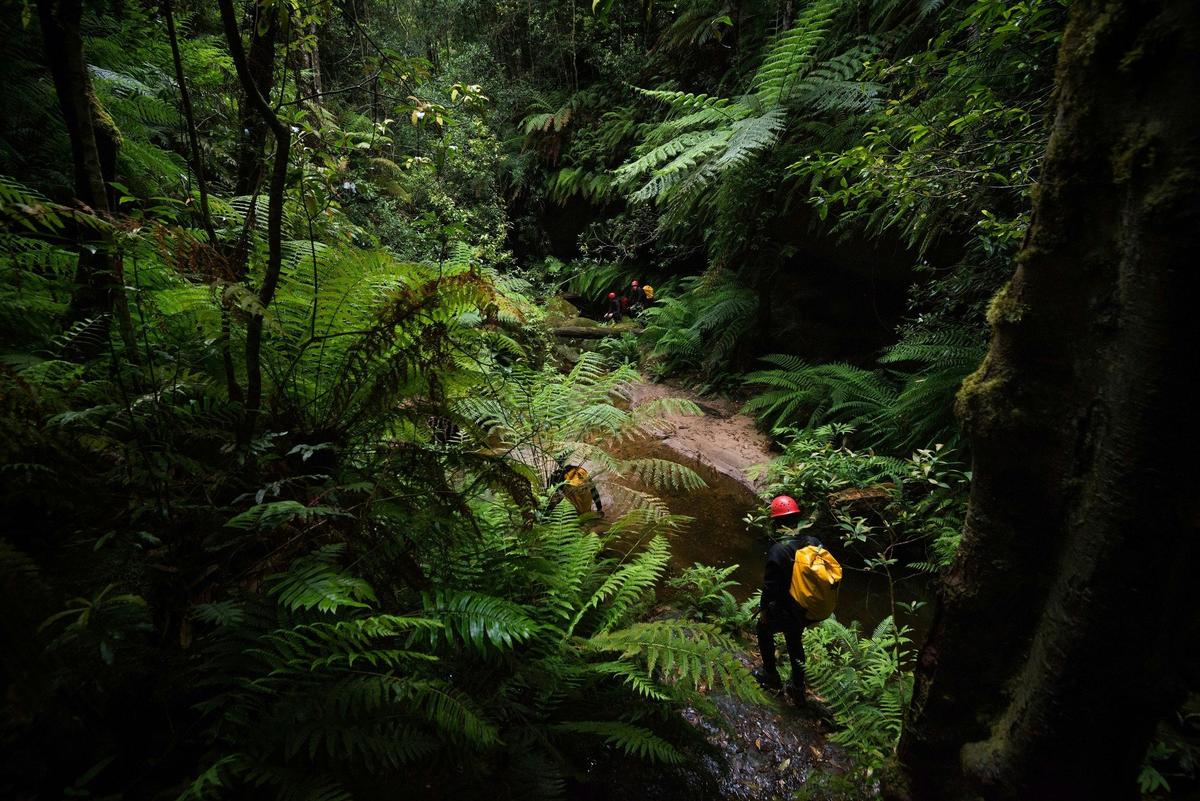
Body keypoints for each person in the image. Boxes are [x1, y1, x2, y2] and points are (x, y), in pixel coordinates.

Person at [755, 494, 828, 704]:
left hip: (786, 607)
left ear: (777, 523)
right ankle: (797, 686)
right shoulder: (813, 542)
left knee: (763, 629)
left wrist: (764, 610)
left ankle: (770, 675)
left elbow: (770, 588)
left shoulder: (778, 550)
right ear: (797, 519)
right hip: (806, 606)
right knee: (794, 640)